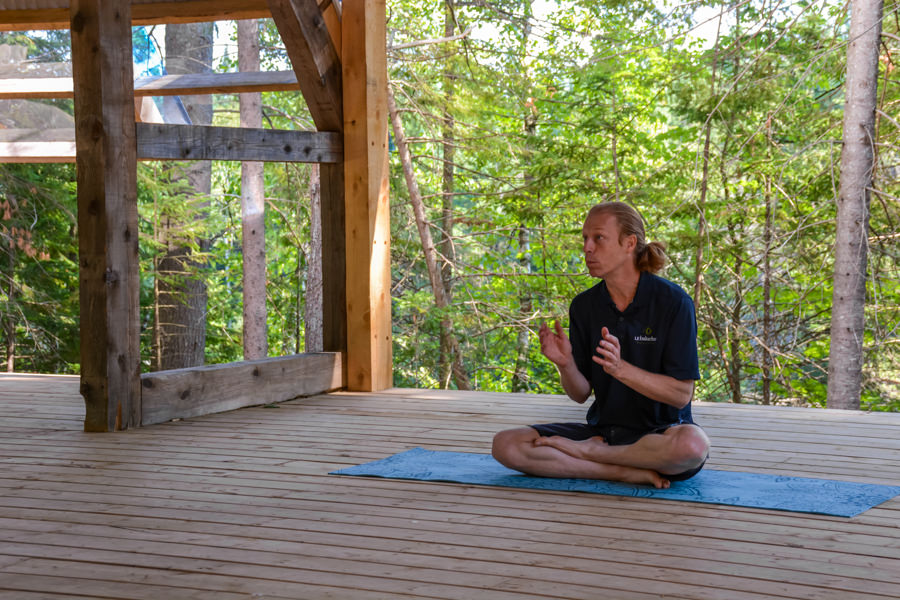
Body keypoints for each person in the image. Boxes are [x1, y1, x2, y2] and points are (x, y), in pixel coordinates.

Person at [491, 202, 710, 489]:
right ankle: (620, 471)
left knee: (692, 447)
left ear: (629, 243)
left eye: (598, 238)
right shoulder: (585, 306)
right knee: (506, 444)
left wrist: (621, 370)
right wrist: (565, 364)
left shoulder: (672, 302)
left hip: (661, 434)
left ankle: (597, 457)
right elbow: (581, 393)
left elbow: (681, 395)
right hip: (603, 431)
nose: (587, 248)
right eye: (585, 239)